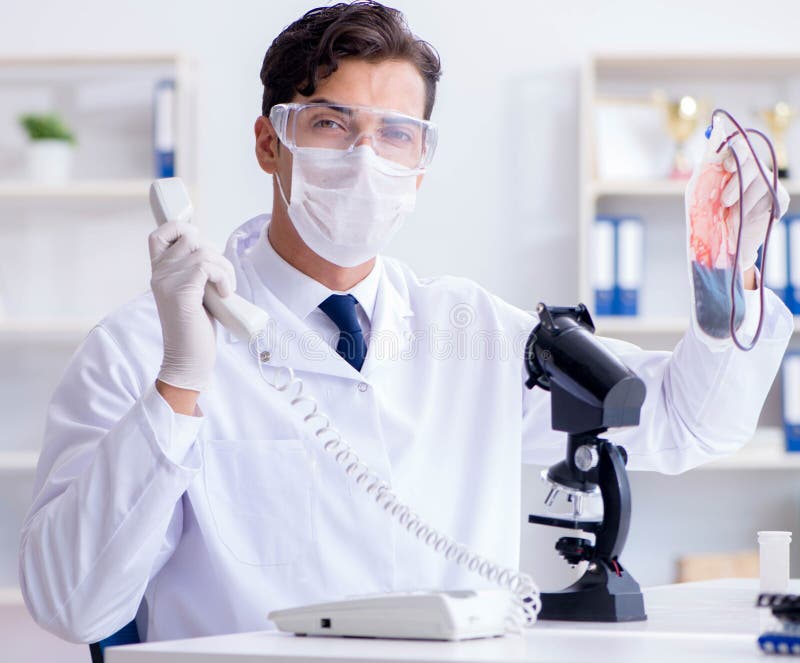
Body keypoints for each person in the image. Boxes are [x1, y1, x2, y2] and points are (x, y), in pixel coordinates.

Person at [18, 0, 792, 645]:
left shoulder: (475, 330)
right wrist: (181, 384)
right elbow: (73, 604)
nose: (365, 157)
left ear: (420, 163)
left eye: (396, 134)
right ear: (270, 141)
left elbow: (686, 424)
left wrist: (726, 282)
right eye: (331, 124)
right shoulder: (140, 350)